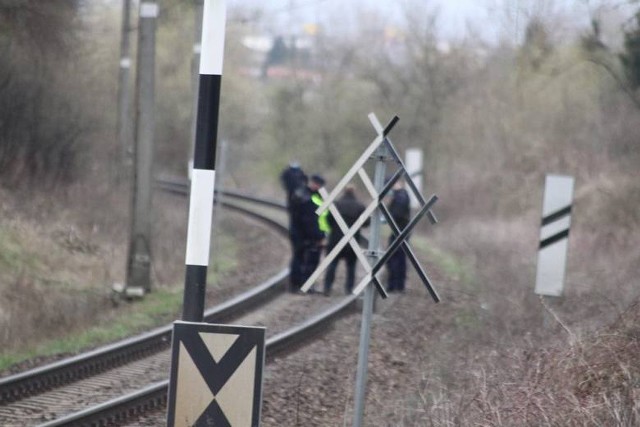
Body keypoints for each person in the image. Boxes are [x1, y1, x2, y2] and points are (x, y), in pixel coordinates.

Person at [323, 185, 368, 296]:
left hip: (335, 239)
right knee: (351, 266)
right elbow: (366, 223)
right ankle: (348, 289)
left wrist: (334, 228)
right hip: (352, 241)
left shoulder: (336, 205)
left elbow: (328, 220)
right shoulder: (360, 206)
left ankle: (327, 288)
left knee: (332, 264)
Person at [289, 174, 327, 293]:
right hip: (305, 234)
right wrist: (319, 236)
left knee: (298, 258)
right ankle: (302, 284)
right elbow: (310, 220)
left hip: (298, 231)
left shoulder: (300, 193)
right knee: (305, 260)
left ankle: (297, 284)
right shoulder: (308, 198)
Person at [386, 179, 411, 293]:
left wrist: (387, 216)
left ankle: (395, 285)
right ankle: (396, 285)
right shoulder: (401, 195)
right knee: (396, 258)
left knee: (395, 258)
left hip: (400, 231)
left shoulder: (401, 196)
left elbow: (397, 214)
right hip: (399, 231)